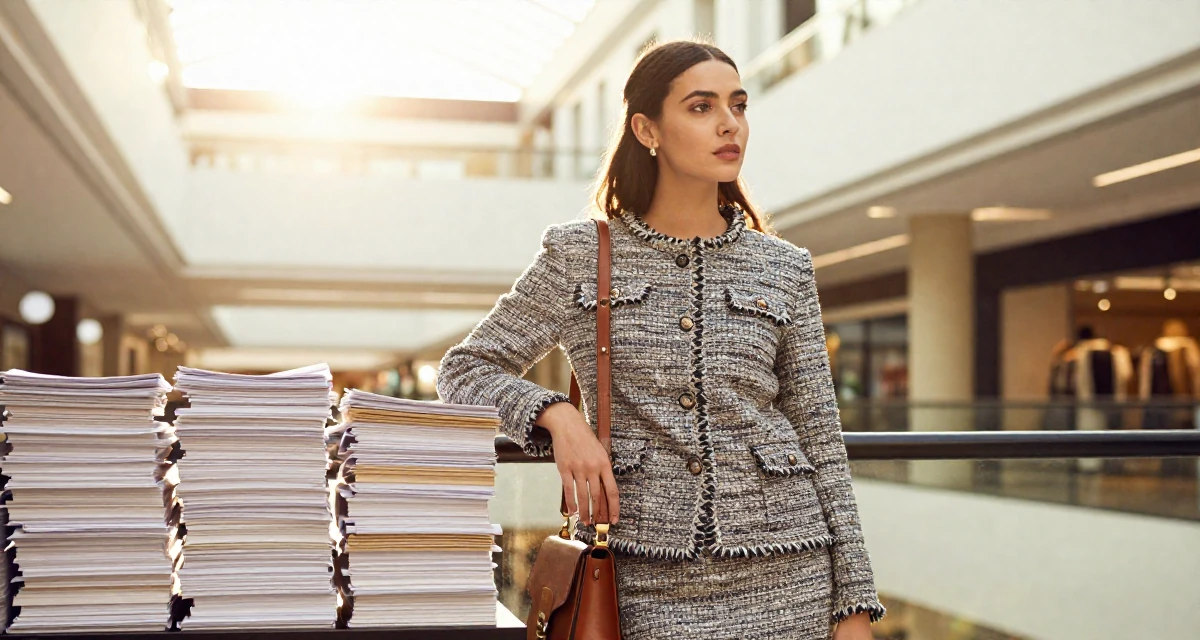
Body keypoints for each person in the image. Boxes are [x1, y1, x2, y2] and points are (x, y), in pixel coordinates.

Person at [437, 38, 884, 640]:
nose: (730, 124)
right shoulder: (579, 255)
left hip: (789, 574)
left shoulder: (785, 266)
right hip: (638, 581)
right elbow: (464, 371)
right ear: (647, 129)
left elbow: (820, 438)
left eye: (738, 104)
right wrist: (557, 415)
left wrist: (853, 601)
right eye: (701, 107)